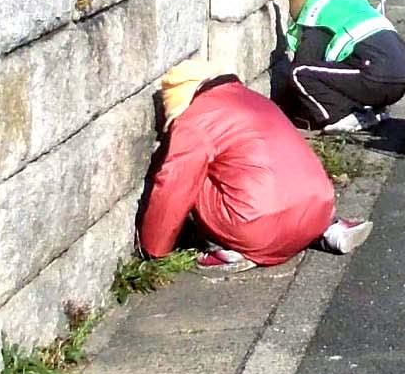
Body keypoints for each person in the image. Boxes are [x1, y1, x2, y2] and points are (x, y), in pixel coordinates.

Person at [138, 59, 374, 273]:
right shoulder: (253, 98)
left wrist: (153, 250)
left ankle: (228, 248)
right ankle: (327, 229)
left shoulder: (195, 121)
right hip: (320, 205)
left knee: (192, 174)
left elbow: (174, 187)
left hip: (257, 226)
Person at [284, 0, 405, 133]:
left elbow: (305, 64)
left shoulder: (317, 22)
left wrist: (289, 110)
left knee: (299, 73)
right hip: (403, 74)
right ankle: (371, 112)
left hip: (376, 75)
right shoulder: (350, 6)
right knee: (340, 72)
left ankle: (343, 117)